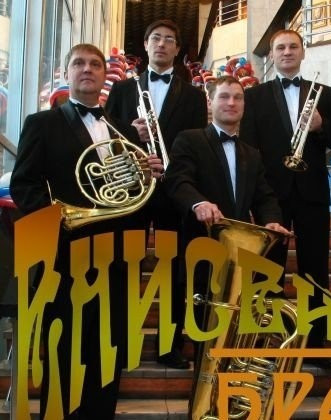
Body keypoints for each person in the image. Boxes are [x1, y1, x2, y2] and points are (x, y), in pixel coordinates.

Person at [10, 44, 163, 419]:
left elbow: (133, 195)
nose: (88, 69)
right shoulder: (41, 124)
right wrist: (58, 219)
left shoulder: (122, 129)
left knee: (107, 351)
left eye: (95, 64)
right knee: (64, 347)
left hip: (116, 257)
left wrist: (148, 176)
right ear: (67, 73)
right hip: (68, 254)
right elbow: (24, 185)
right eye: (79, 63)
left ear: (104, 76)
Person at [239, 29, 331, 364]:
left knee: (315, 271)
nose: (287, 52)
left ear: (302, 53)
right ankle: (267, 344)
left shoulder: (325, 94)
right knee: (266, 270)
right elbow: (248, 146)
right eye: (280, 48)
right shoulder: (254, 96)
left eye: (293, 47)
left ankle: (316, 346)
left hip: (311, 193)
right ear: (271, 55)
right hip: (270, 194)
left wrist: (320, 127)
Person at [105, 19, 208, 369]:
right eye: (156, 38)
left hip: (172, 192)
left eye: (169, 40)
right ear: (146, 45)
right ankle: (120, 344)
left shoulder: (193, 95)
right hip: (132, 190)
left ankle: (169, 346)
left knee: (172, 271)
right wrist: (130, 132)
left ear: (177, 49)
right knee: (124, 267)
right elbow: (107, 136)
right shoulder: (122, 90)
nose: (162, 44)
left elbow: (196, 143)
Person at [165, 76, 290, 321]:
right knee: (199, 321)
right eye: (224, 96)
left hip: (238, 253)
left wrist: (272, 221)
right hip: (201, 246)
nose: (231, 103)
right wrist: (198, 203)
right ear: (210, 103)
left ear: (244, 105)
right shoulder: (190, 139)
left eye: (238, 98)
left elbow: (264, 197)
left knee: (231, 322)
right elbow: (178, 180)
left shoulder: (252, 154)